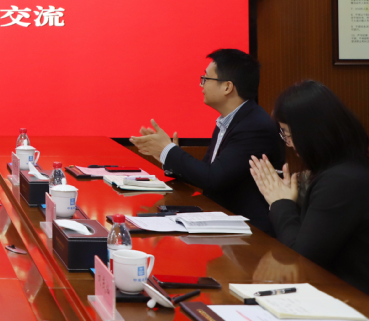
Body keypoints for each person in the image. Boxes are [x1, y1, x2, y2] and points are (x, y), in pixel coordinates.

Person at [130, 49, 283, 234]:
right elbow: (205, 173)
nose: (201, 84)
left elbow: (213, 178)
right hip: (223, 222)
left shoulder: (254, 126)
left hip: (251, 233)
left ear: (227, 87)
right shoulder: (229, 120)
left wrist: (168, 151)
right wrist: (166, 156)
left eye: (206, 78)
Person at [249, 80, 369, 293]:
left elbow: (301, 257)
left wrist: (280, 202)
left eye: (287, 133)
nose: (288, 143)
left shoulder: (341, 181)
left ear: (310, 132)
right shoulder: (346, 168)